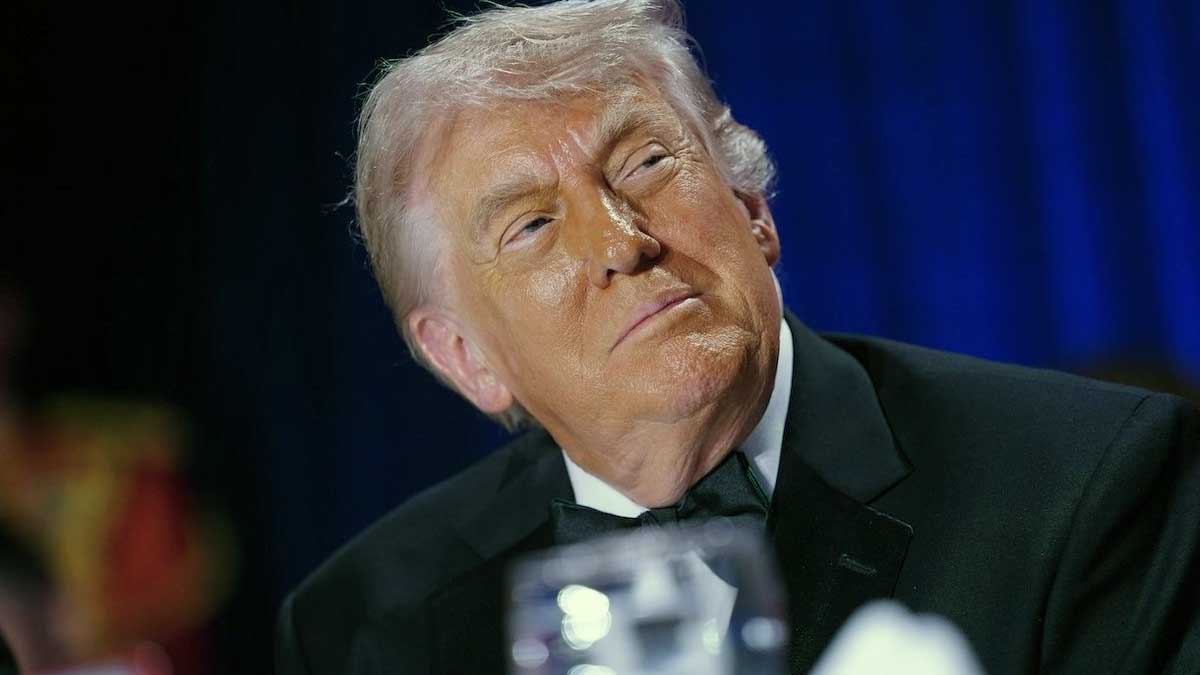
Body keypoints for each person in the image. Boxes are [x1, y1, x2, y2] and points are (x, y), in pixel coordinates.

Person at [275, 1, 1200, 673]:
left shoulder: (1091, 484)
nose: (622, 244)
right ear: (466, 357)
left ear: (753, 208)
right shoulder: (362, 628)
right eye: (532, 225)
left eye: (646, 162)